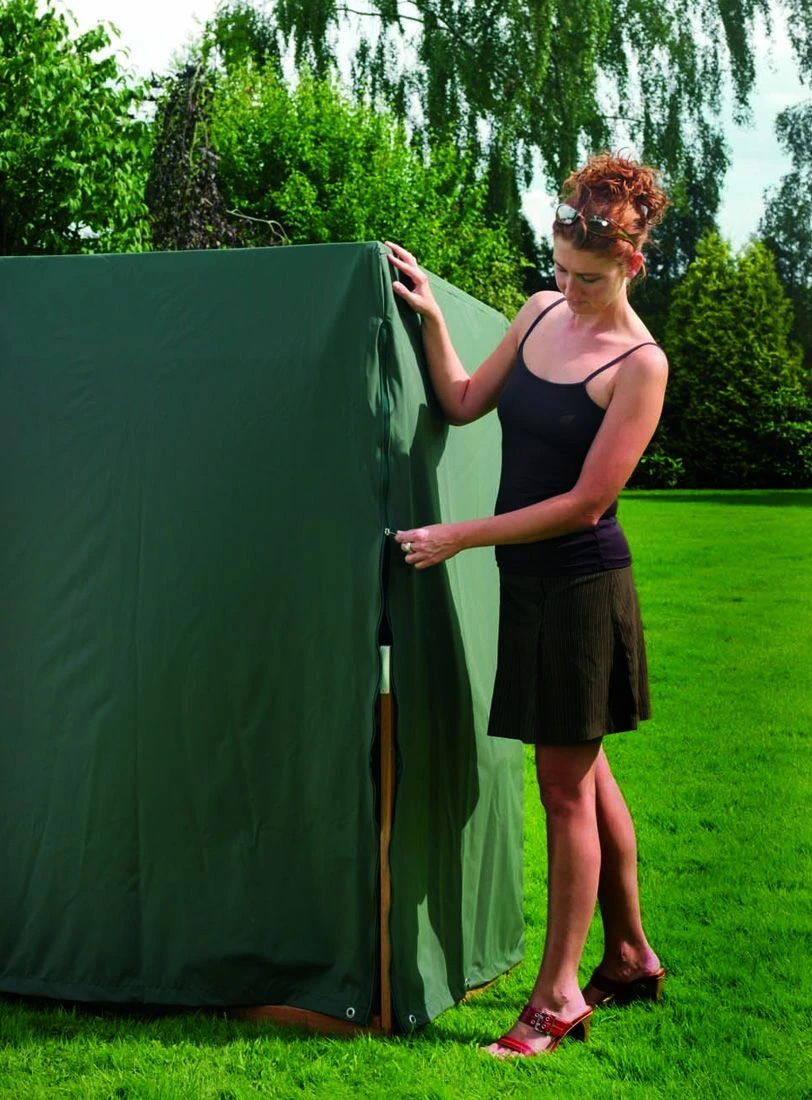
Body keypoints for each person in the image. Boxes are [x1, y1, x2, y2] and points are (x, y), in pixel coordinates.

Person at [386, 152, 668, 1057]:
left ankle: (556, 997)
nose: (569, 289)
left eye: (588, 278)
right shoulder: (540, 312)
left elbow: (587, 502)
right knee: (587, 773)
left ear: (630, 263)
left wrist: (461, 534)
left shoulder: (640, 365)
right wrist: (433, 319)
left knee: (563, 789)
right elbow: (465, 399)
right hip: (530, 583)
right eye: (561, 269)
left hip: (583, 587)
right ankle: (628, 954)